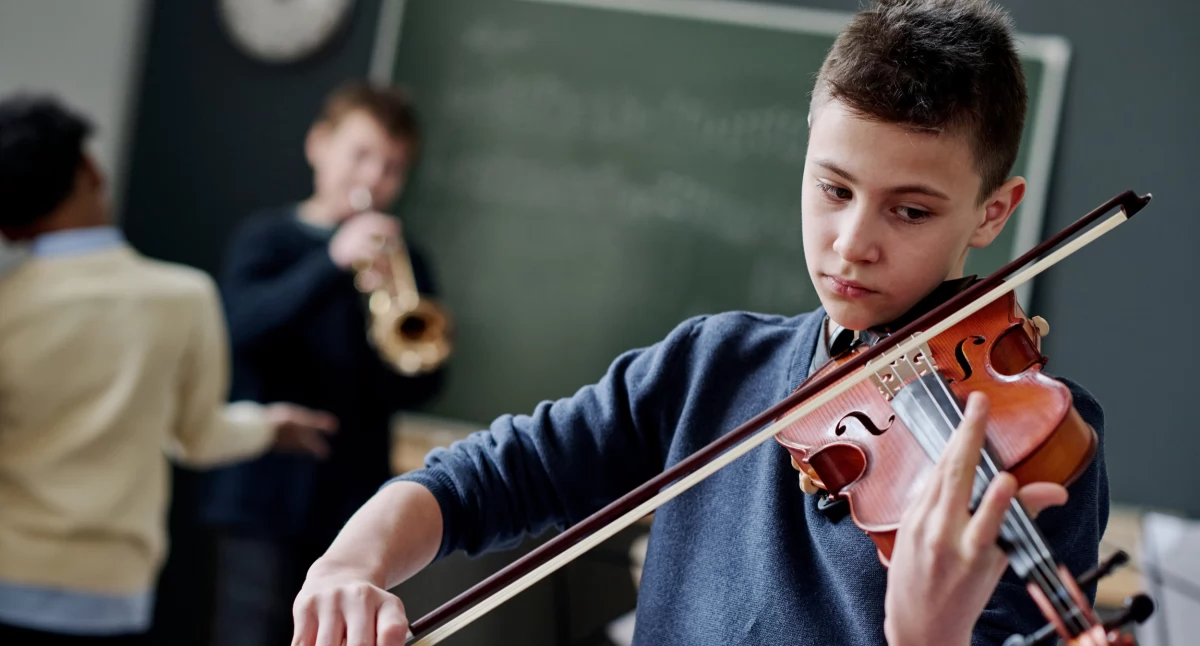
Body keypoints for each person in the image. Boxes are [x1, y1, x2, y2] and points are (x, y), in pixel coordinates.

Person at [291, 1, 1111, 645]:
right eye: (832, 189)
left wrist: (929, 638)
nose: (852, 243)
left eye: (909, 209)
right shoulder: (713, 366)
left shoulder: (1031, 438)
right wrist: (348, 564)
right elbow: (487, 477)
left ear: (992, 213)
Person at [0, 93, 337, 645]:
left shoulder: (6, 306)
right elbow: (197, 438)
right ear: (91, 169)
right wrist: (268, 426)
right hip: (112, 597)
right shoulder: (182, 297)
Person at [200, 80, 444, 645]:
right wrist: (332, 262)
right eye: (361, 155)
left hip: (351, 499)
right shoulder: (267, 238)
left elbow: (420, 385)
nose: (372, 179)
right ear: (319, 144)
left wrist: (390, 326)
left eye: (391, 166)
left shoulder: (405, 262)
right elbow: (240, 329)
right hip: (262, 497)